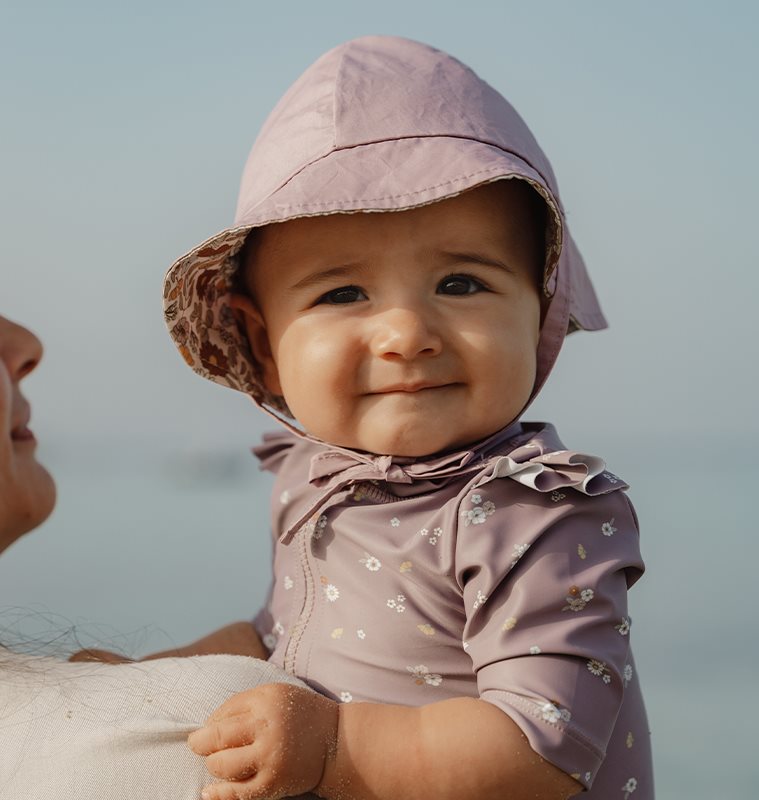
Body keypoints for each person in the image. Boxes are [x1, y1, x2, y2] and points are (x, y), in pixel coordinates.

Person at [161, 35, 654, 800]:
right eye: (342, 294)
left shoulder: (533, 512)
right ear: (263, 342)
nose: (406, 335)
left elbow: (542, 746)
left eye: (461, 283)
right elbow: (281, 638)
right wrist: (148, 680)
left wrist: (331, 747)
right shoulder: (314, 479)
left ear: (540, 311)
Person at [0, 314, 316, 799]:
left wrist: (154, 669)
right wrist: (338, 746)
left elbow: (287, 633)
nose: (27, 343)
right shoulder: (198, 734)